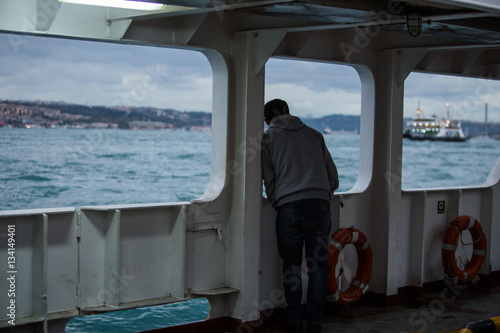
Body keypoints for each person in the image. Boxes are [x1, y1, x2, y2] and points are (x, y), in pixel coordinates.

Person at [261, 99, 339, 333]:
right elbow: (333, 178)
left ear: (267, 120)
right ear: (288, 112)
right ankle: (315, 324)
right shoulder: (315, 135)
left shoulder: (268, 138)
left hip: (289, 207)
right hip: (320, 205)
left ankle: (294, 322)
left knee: (291, 266)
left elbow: (269, 179)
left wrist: (280, 202)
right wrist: (322, 196)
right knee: (317, 267)